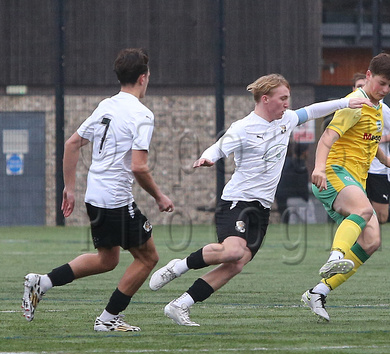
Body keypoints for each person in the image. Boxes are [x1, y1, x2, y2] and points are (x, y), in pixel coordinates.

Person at [148, 73, 372, 326]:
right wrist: (207, 157)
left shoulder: (286, 120)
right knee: (232, 250)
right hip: (238, 202)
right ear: (265, 99)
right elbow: (220, 147)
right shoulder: (243, 127)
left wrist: (345, 102)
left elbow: (312, 110)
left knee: (237, 263)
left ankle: (180, 305)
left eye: (289, 98)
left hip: (262, 208)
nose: (288, 104)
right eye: (283, 98)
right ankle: (177, 268)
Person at [21, 48, 175, 332]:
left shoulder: (107, 105)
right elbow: (139, 167)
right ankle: (107, 319)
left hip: (96, 196)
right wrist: (160, 196)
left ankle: (42, 282)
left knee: (108, 259)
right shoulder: (142, 114)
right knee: (149, 257)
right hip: (116, 199)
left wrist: (70, 189)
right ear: (143, 78)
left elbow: (71, 144)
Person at [302, 53, 390, 321]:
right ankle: (336, 255)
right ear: (368, 76)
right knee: (364, 210)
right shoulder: (354, 105)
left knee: (371, 242)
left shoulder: (377, 107)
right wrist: (319, 168)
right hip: (334, 173)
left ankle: (319, 292)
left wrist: (385, 159)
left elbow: (369, 139)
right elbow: (326, 139)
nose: (385, 90)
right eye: (382, 83)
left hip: (354, 180)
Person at [351, 72, 390, 230]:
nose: (361, 89)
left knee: (381, 216)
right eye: (358, 86)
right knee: (356, 210)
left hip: (378, 168)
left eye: (363, 85)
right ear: (353, 88)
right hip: (357, 167)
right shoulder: (348, 106)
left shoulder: (381, 108)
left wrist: (380, 139)